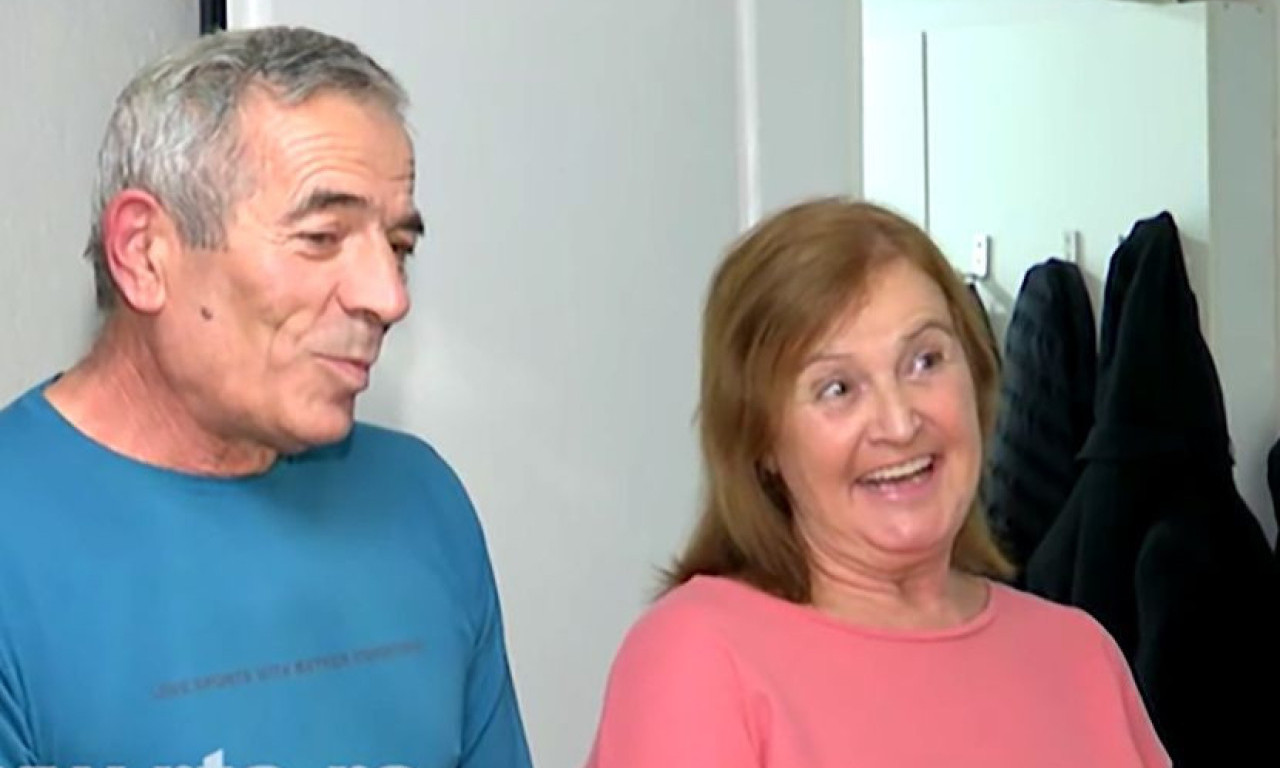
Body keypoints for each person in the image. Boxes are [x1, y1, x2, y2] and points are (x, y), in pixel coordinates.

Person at [0, 26, 531, 768]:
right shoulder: (19, 538)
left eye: (398, 248)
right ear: (144, 253)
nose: (388, 296)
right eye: (322, 237)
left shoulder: (422, 506)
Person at [584, 199, 1169, 767]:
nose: (899, 423)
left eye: (925, 361)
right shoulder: (700, 659)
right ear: (759, 439)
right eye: (837, 388)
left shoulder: (1081, 655)